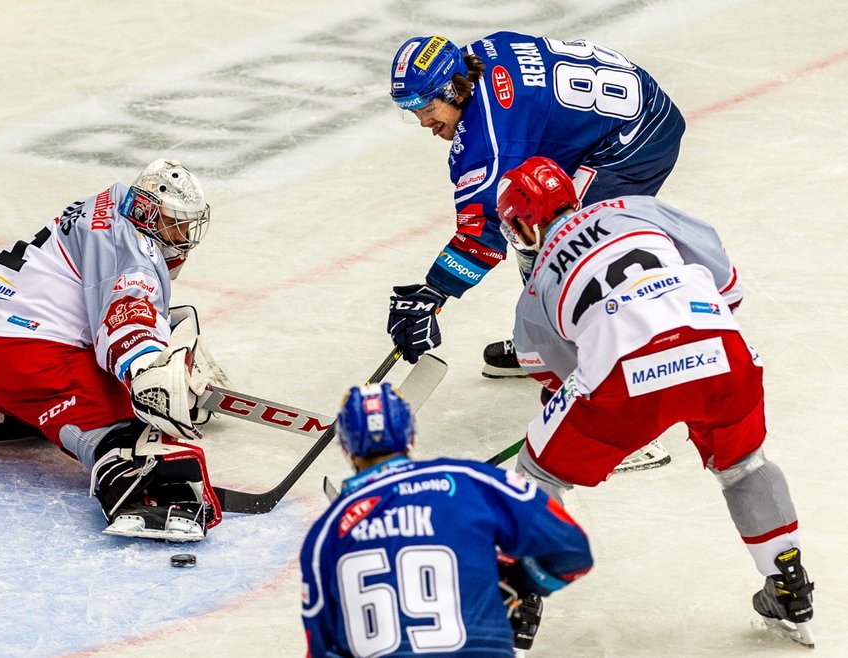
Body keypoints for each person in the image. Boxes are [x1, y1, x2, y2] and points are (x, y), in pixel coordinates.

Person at [498, 156, 815, 646]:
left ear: (524, 224)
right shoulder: (637, 208)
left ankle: (518, 598)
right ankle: (788, 584)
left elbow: (556, 376)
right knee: (744, 466)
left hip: (626, 383)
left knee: (536, 475)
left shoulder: (536, 287)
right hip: (723, 356)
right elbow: (728, 286)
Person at [0, 158, 224, 542]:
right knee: (130, 429)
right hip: (22, 359)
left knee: (171, 323)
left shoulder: (109, 207)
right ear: (147, 210)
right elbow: (125, 317)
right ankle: (145, 495)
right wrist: (151, 374)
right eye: (174, 222)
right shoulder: (130, 249)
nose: (181, 235)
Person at [384, 33, 685, 379]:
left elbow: (484, 233)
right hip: (616, 117)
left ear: (453, 91)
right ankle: (553, 339)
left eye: (425, 107)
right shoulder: (476, 59)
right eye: (412, 111)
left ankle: (595, 352)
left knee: (568, 242)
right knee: (533, 228)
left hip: (636, 140)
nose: (423, 122)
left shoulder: (489, 139)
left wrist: (433, 292)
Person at [299, 382, 593, 657]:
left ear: (346, 447)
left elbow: (322, 649)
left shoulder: (324, 535)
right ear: (410, 434)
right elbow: (572, 550)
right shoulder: (468, 481)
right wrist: (519, 579)